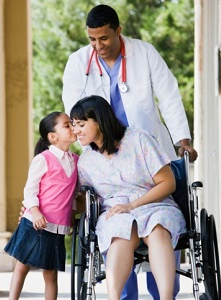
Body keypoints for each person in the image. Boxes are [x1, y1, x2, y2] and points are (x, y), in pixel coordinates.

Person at [62, 4, 197, 299]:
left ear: (118, 31)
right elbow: (75, 112)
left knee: (160, 227)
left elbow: (169, 95)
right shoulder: (78, 62)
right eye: (92, 40)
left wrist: (182, 140)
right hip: (106, 163)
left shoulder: (144, 53)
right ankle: (124, 296)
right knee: (119, 231)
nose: (98, 46)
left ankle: (163, 291)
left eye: (104, 39)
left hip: (145, 155)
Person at [70, 95, 187, 300]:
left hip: (156, 204)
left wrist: (133, 205)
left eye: (81, 124)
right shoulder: (86, 161)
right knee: (120, 233)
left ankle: (167, 298)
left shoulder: (138, 139)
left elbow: (168, 183)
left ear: (99, 120)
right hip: (115, 212)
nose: (76, 130)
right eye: (73, 125)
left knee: (158, 229)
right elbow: (88, 202)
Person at [4, 112, 78, 300]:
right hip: (35, 221)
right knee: (22, 266)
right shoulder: (43, 159)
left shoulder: (77, 161)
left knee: (51, 273)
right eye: (67, 125)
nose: (72, 127)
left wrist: (71, 217)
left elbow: (74, 195)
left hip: (57, 226)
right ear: (53, 137)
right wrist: (35, 212)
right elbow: (30, 190)